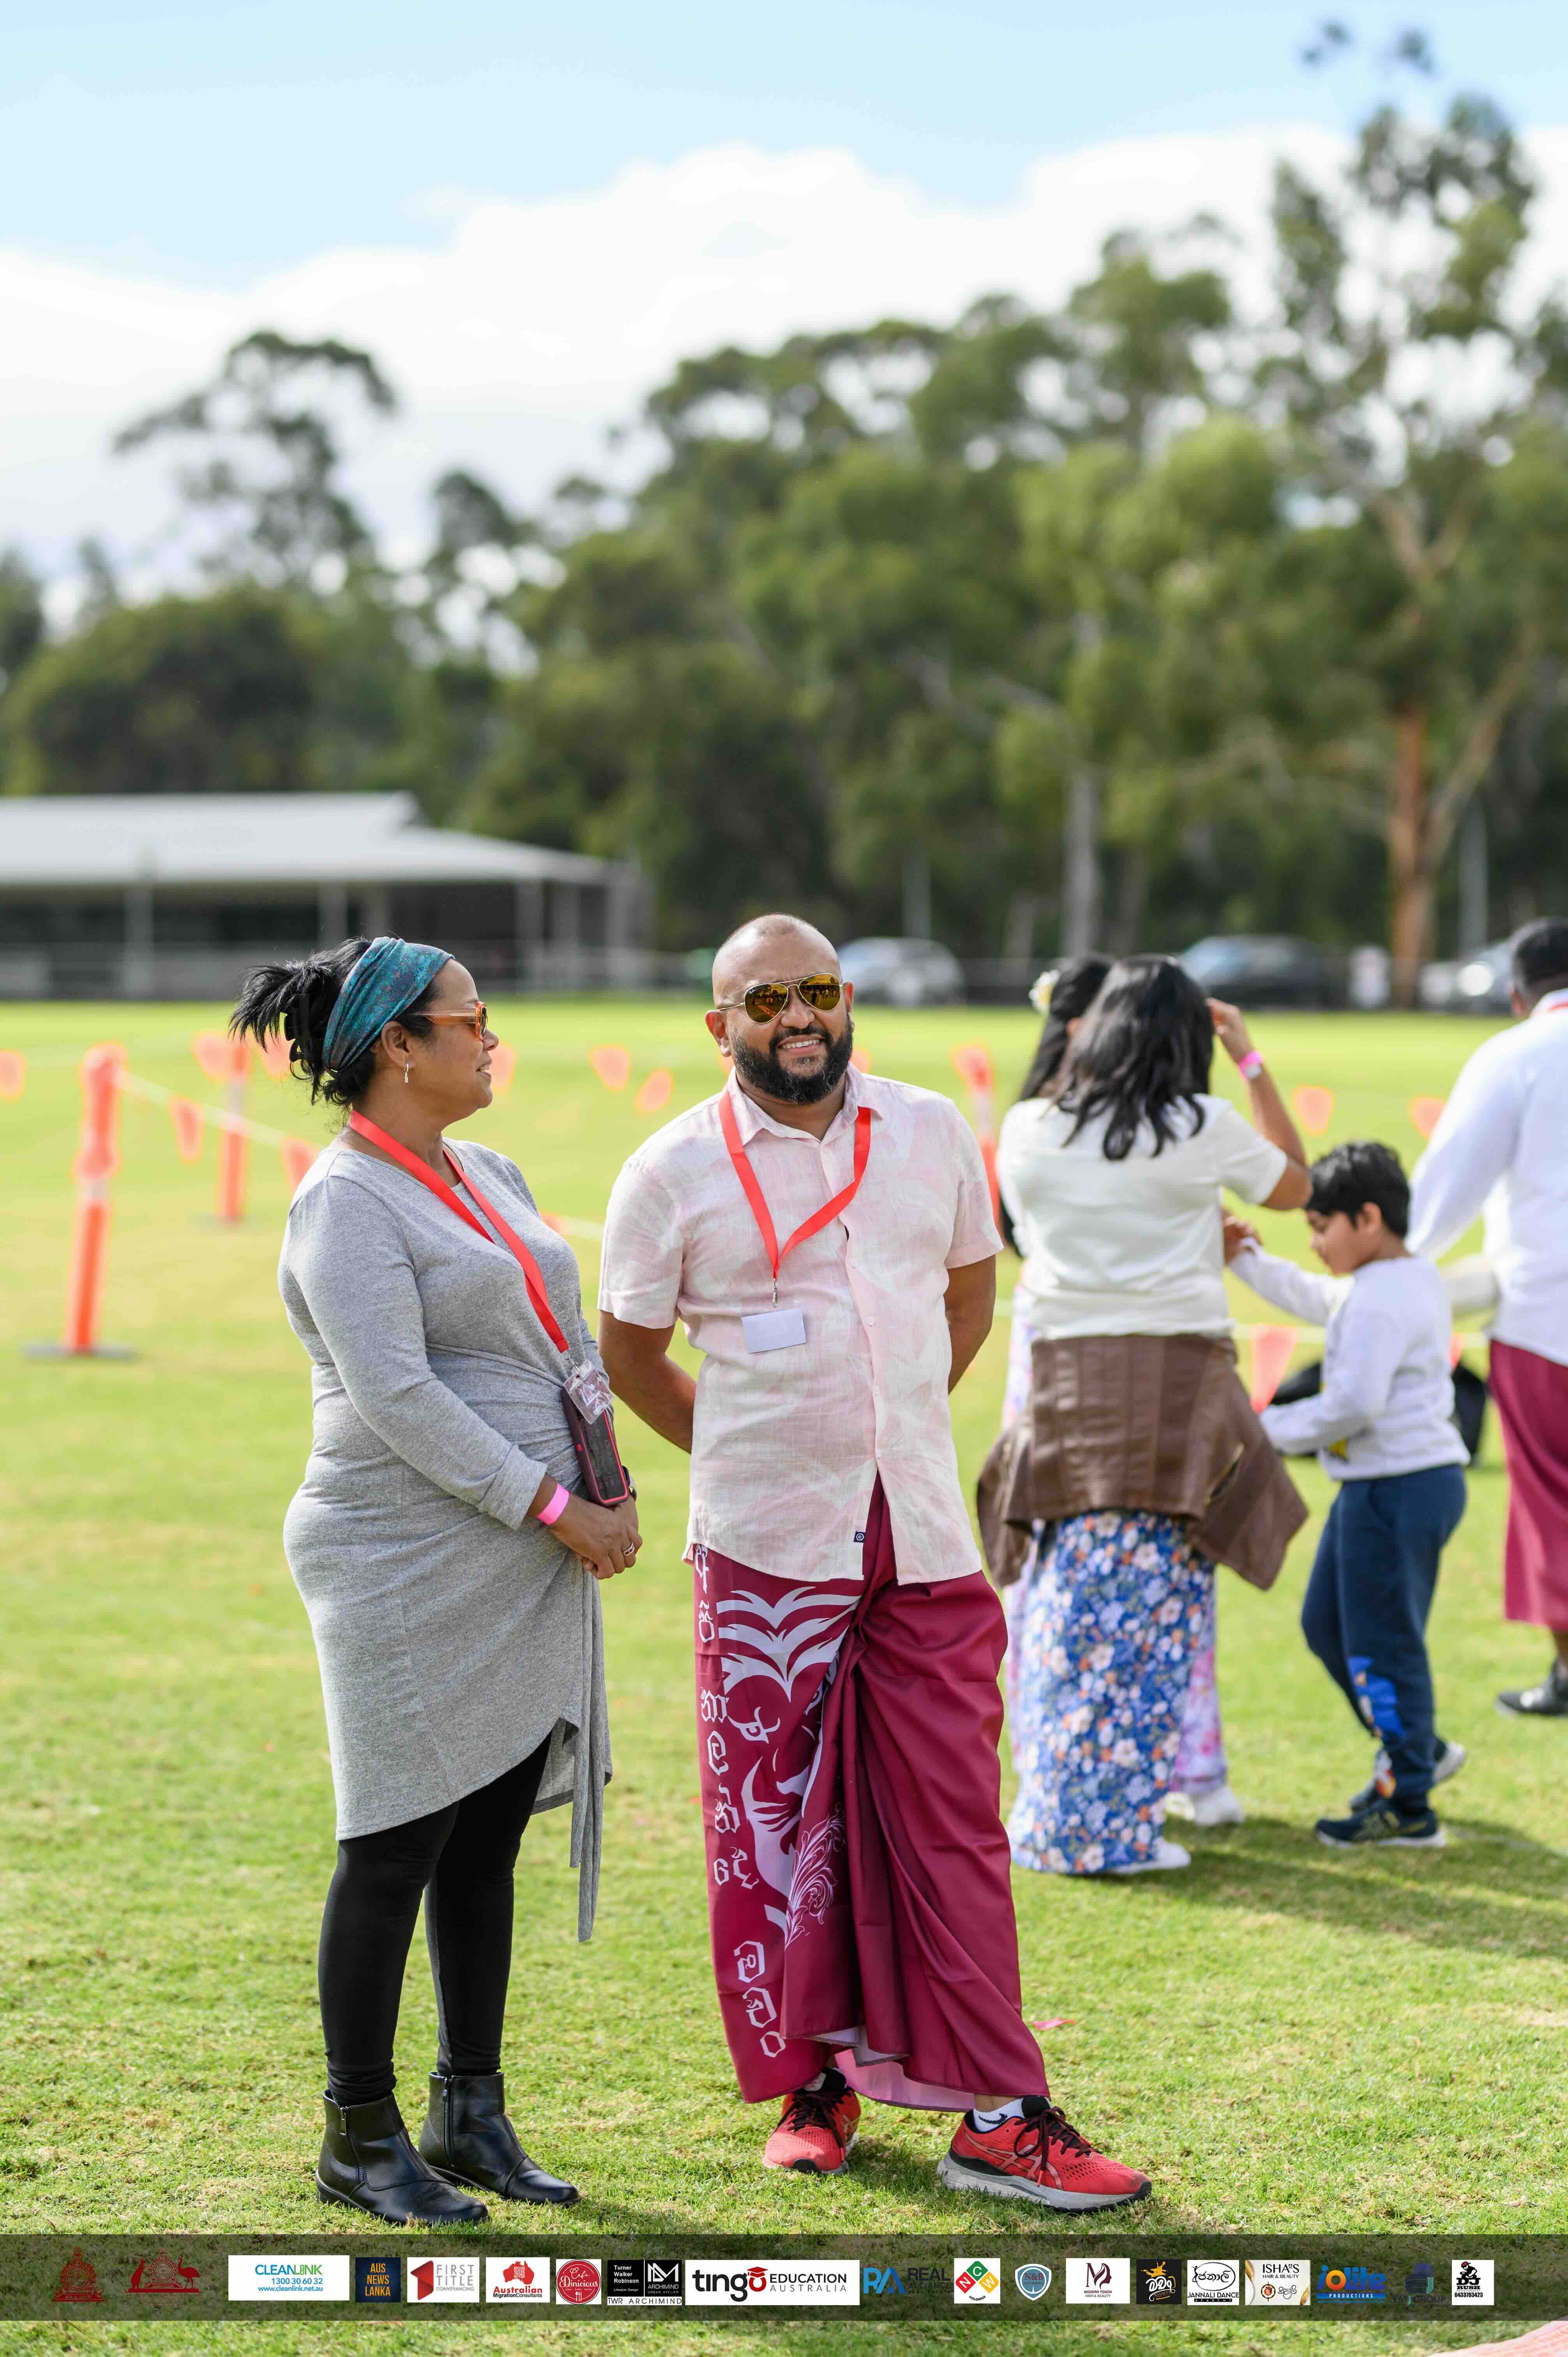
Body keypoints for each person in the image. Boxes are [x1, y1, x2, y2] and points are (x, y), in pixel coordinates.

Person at [596, 913, 1151, 2211]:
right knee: (774, 1832)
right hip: (760, 1546)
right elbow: (628, 1352)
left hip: (918, 1533)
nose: (800, 1016)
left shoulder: (929, 1130)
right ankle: (813, 2083)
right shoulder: (667, 1171)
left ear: (846, 998)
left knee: (956, 1821)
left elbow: (970, 1291)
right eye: (766, 997)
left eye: (820, 990)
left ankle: (1001, 2114)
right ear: (720, 1020)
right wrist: (743, 1449)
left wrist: (881, 1426)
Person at [232, 936, 641, 2226]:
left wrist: (605, 1474)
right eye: (470, 1018)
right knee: (395, 1833)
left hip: (521, 1544)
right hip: (403, 1550)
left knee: (483, 1837)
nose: (489, 1037)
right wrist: (554, 1503)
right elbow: (397, 1392)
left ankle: (472, 2107)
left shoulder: (489, 1168)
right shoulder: (342, 1200)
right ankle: (360, 2132)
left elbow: (562, 1335)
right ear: (399, 1044)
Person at [986, 957, 1310, 1877]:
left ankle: (1046, 1813)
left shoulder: (1026, 1129)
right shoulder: (1199, 1126)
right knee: (1157, 1611)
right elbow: (1293, 1185)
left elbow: (1050, 1224)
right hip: (1175, 1384)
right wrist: (1249, 1062)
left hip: (1062, 1382)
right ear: (1185, 1041)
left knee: (1056, 1598)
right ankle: (1121, 1831)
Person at [1227, 1143, 1469, 1848]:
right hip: (1392, 1487)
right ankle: (1416, 1751)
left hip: (1395, 1491)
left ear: (1367, 1218)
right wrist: (1244, 1259)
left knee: (1382, 1649)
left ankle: (1410, 1805)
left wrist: (1264, 1429)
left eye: (1321, 1227)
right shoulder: (1400, 1276)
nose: (1314, 1243)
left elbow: (1352, 1406)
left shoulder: (1382, 1297)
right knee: (1326, 1626)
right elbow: (1322, 1299)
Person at [1407, 917, 1568, 1719]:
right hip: (1539, 1309)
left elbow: (1445, 1186)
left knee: (1551, 1501)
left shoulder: (1510, 1055)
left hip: (1544, 1315)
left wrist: (1396, 1265)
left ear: (1515, 995)